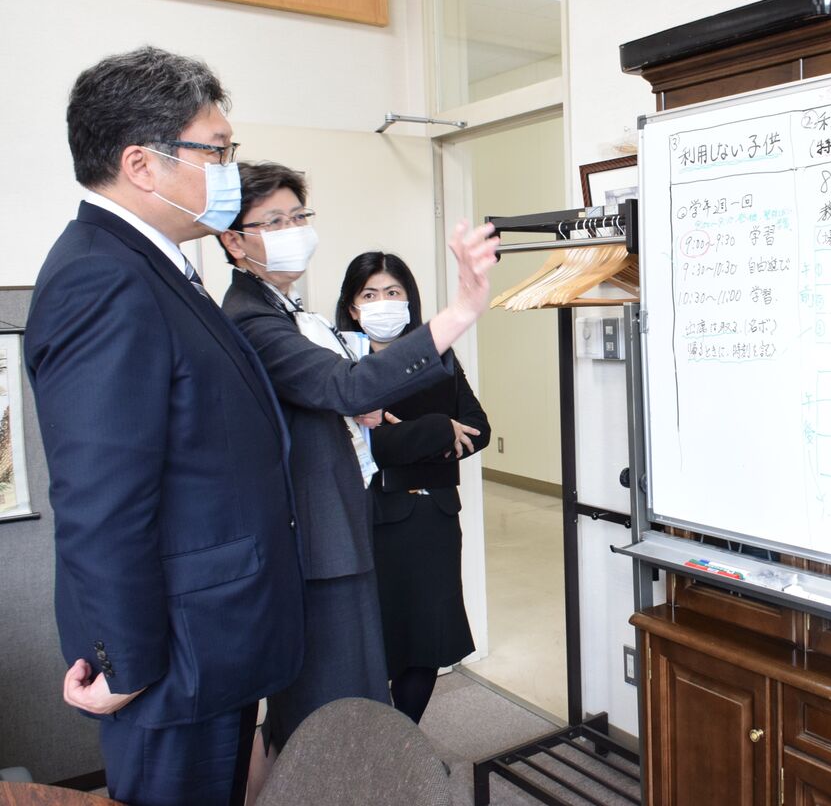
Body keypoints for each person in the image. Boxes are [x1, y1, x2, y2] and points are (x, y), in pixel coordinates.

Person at [23, 47, 306, 806]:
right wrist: (126, 660)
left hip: (211, 631)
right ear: (141, 164)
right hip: (172, 652)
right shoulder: (101, 277)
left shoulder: (155, 265)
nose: (230, 171)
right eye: (216, 151)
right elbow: (100, 495)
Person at [215, 163, 496, 759]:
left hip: (383, 521)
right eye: (274, 221)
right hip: (330, 531)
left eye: (298, 217)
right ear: (234, 241)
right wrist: (462, 310)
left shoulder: (287, 311)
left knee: (354, 692)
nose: (293, 231)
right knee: (331, 712)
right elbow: (347, 389)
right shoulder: (254, 317)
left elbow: (472, 428)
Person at [336, 252, 490, 723]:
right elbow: (365, 449)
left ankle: (402, 740)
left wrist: (405, 435)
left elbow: (479, 429)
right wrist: (439, 429)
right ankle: (373, 745)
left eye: (393, 292)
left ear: (409, 300)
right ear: (353, 307)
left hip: (434, 518)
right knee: (378, 643)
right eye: (370, 294)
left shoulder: (436, 357)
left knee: (426, 642)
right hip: (374, 520)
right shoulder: (342, 365)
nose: (382, 302)